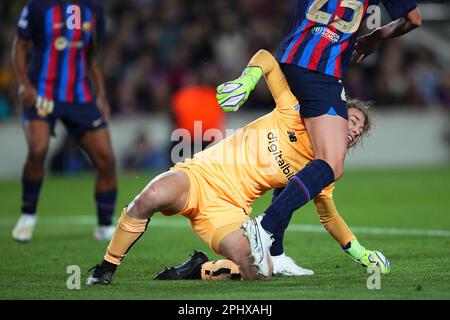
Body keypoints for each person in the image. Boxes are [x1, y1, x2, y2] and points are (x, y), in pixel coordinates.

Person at [86, 50, 389, 284]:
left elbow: (330, 217)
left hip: (231, 210)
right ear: (334, 115)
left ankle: (198, 269)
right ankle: (106, 268)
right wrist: (248, 79)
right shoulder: (294, 109)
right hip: (202, 175)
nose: (353, 131)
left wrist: (360, 252)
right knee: (151, 196)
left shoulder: (322, 167)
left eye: (359, 131)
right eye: (352, 121)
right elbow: (267, 58)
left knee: (261, 272)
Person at [217, 0, 421, 276]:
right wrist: (375, 37)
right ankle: (264, 228)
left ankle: (275, 253)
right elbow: (413, 19)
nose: (355, 131)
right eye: (356, 123)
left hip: (290, 57)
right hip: (322, 70)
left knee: (310, 166)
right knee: (332, 165)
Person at [11, 0, 117, 242]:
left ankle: (104, 225)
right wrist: (23, 84)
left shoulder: (94, 9)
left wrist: (100, 94)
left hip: (79, 97)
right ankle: (28, 215)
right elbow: (19, 43)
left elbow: (91, 55)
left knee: (107, 159)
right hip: (41, 93)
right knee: (38, 150)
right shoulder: (39, 6)